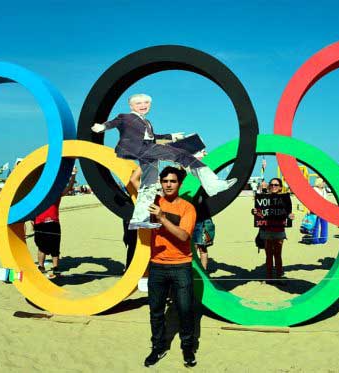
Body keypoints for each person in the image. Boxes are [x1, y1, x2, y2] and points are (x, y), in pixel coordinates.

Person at [91, 93, 236, 230]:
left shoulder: (146, 122)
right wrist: (102, 127)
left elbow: (153, 137)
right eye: (139, 103)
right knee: (183, 155)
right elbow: (113, 123)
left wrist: (172, 136)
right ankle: (213, 185)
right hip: (137, 149)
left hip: (147, 151)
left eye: (146, 102)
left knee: (148, 184)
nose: (143, 105)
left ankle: (139, 219)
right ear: (131, 106)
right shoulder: (125, 117)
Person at [143, 166, 197, 368]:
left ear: (180, 184)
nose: (168, 184)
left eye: (172, 181)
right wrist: (148, 157)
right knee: (155, 311)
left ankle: (188, 348)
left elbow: (184, 235)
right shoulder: (152, 202)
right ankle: (157, 348)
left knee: (185, 310)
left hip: (181, 265)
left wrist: (163, 217)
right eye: (164, 180)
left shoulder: (187, 208)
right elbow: (133, 181)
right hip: (157, 265)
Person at [33, 168, 77, 278]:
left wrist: (73, 175)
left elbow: (69, 188)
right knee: (41, 246)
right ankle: (41, 266)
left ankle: (56, 268)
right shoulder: (39, 195)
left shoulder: (56, 194)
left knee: (55, 247)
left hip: (53, 222)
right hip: (40, 223)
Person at [252, 178, 294, 284]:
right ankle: (269, 277)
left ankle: (279, 277)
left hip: (279, 230)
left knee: (278, 254)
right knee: (269, 255)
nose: (274, 186)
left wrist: (290, 216)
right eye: (272, 184)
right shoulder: (264, 198)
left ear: (280, 187)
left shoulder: (285, 198)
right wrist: (254, 212)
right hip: (266, 230)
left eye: (276, 185)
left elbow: (288, 212)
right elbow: (259, 212)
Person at [312, 178, 328, 244]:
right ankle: (315, 240)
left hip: (324, 209)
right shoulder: (314, 190)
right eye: (323, 182)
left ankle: (323, 239)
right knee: (316, 225)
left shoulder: (324, 190)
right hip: (316, 209)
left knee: (324, 224)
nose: (324, 183)